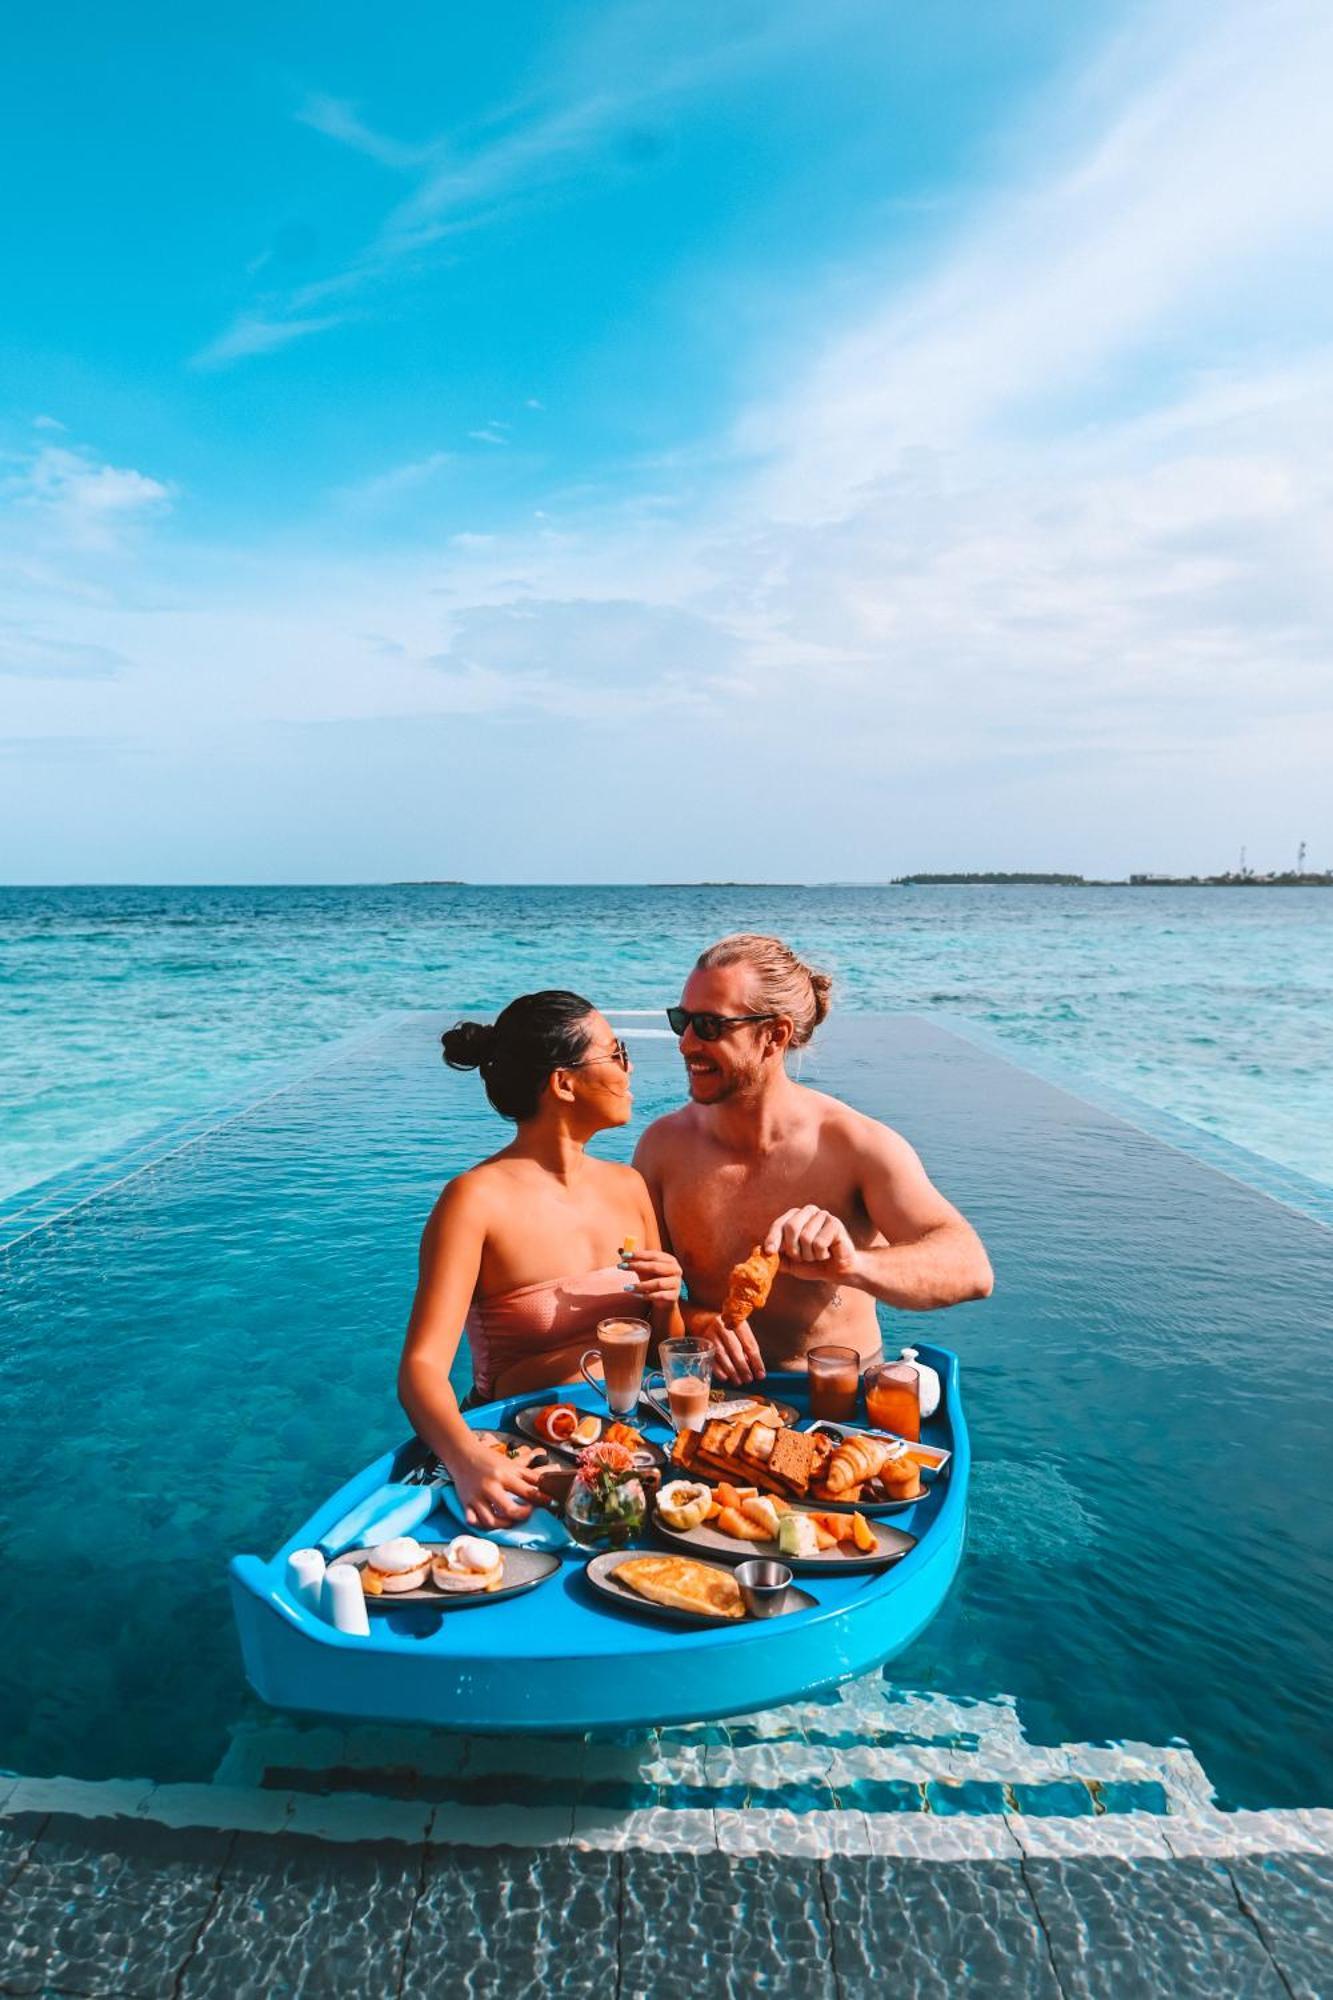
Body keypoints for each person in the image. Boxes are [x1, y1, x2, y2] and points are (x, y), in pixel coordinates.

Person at [634, 935, 992, 1384]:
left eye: (709, 1026)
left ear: (774, 1035)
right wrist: (698, 1320)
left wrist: (853, 1266)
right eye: (681, 1021)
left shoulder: (854, 1145)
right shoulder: (664, 1148)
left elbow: (970, 1268)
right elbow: (636, 1291)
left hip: (841, 1398)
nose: (686, 1043)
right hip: (714, 1398)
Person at [399, 990, 683, 1527]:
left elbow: (665, 1348)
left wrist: (669, 1298)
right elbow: (420, 1370)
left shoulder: (629, 1187)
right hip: (513, 1449)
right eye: (616, 1052)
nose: (629, 1068)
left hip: (628, 1440)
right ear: (563, 1082)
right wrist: (467, 1461)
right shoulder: (474, 1201)